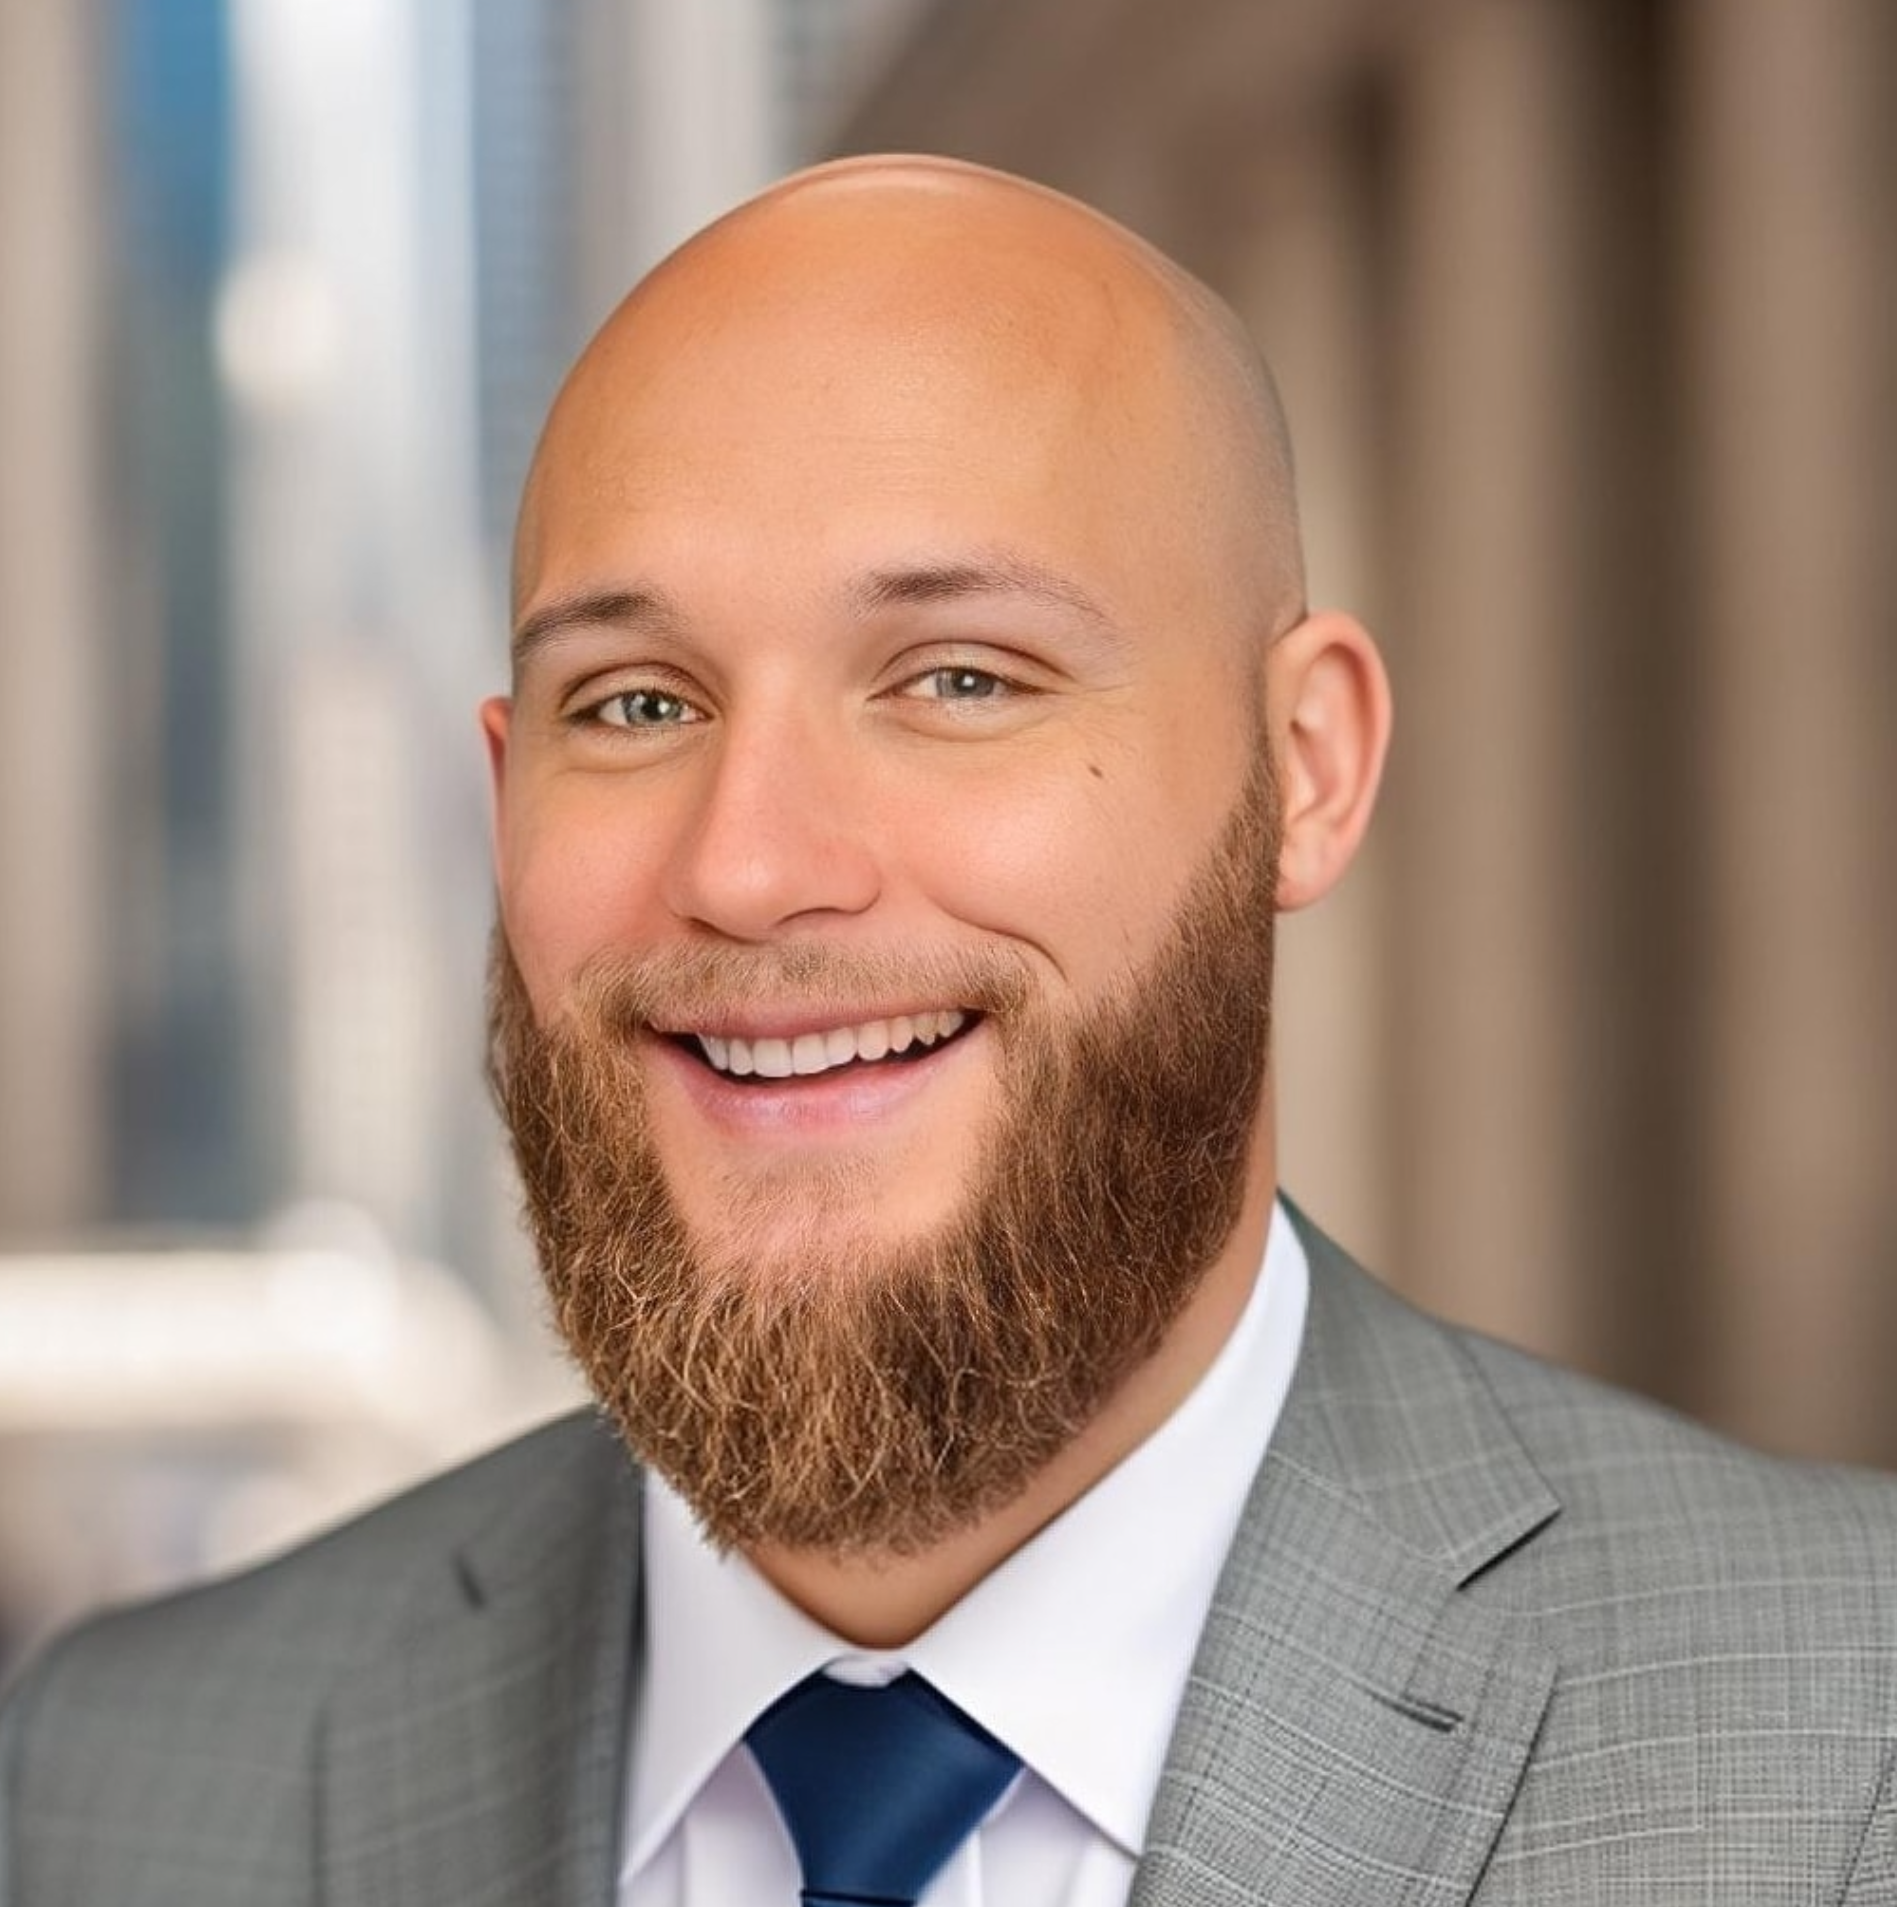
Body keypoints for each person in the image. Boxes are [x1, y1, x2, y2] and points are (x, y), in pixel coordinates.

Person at [2, 155, 1894, 1907]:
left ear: (1303, 769)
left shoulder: (1845, 1750)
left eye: (960, 676)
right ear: (502, 806)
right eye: (637, 705)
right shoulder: (127, 1785)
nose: (749, 868)